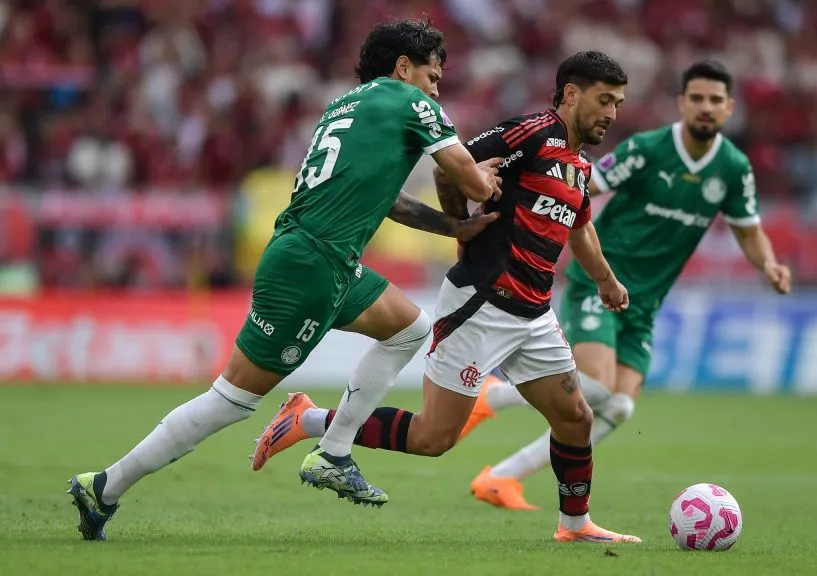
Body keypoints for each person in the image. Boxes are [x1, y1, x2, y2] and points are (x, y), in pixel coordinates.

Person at [66, 18, 503, 542]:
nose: (437, 87)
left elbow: (385, 197)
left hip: (323, 257)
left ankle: (335, 450)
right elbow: (470, 176)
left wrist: (452, 226)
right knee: (230, 399)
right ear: (404, 67)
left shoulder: (346, 107)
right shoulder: (410, 102)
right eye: (433, 74)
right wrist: (491, 178)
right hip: (312, 263)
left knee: (409, 328)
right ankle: (105, 486)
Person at [252, 51, 642, 543]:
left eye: (618, 103)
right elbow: (449, 170)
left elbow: (580, 227)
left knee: (576, 417)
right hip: (481, 303)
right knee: (434, 438)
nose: (611, 112)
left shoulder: (578, 163)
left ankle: (574, 525)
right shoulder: (530, 133)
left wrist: (606, 280)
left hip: (534, 314)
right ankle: (306, 419)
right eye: (603, 100)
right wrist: (462, 227)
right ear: (570, 93)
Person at [461, 60, 793, 509]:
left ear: (729, 108)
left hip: (646, 301)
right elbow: (583, 184)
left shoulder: (733, 169)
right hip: (600, 282)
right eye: (697, 98)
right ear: (681, 103)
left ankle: (500, 477)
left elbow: (749, 231)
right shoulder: (649, 149)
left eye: (716, 100)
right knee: (594, 386)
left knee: (618, 407)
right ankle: (494, 395)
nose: (705, 107)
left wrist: (769, 265)